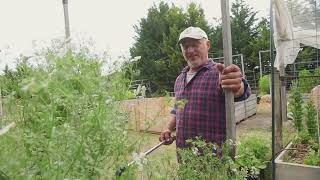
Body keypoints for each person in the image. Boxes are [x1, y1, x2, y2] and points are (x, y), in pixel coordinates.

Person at [159, 26, 251, 160]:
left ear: (207, 45)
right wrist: (168, 129)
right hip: (184, 157)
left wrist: (238, 86)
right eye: (185, 46)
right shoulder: (180, 79)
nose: (190, 50)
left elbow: (242, 91)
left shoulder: (219, 73)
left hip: (213, 159)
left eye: (195, 44)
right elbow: (177, 110)